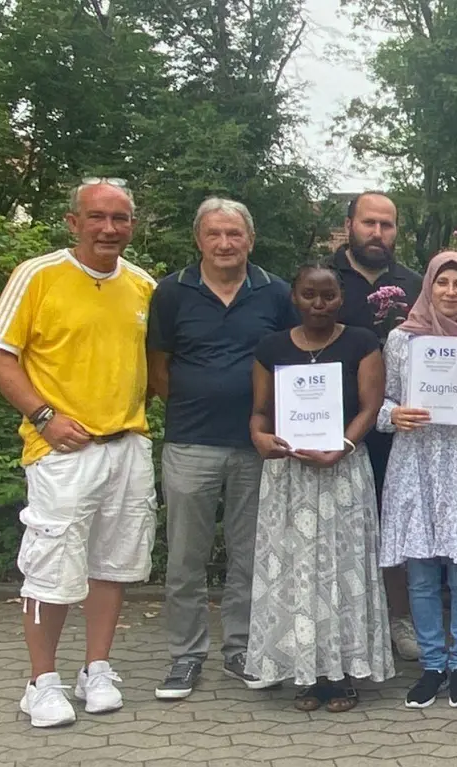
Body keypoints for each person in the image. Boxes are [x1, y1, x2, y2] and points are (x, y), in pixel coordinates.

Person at [0, 179, 157, 728]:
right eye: (98, 217)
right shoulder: (38, 275)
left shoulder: (144, 286)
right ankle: (42, 682)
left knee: (112, 565)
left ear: (132, 224)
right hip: (61, 448)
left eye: (121, 219)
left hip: (127, 444)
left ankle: (96, 669)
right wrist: (43, 416)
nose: (110, 229)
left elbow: (154, 368)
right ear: (73, 220)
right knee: (52, 567)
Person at [147, 198, 295, 700]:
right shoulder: (171, 292)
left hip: (257, 446)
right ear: (199, 239)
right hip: (190, 442)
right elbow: (157, 367)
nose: (225, 244)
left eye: (234, 234)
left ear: (250, 239)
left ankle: (242, 649)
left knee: (250, 555)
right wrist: (199, 397)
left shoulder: (275, 292)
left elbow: (290, 360)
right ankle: (185, 656)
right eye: (215, 234)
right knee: (185, 557)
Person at [246, 266, 393, 711]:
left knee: (343, 569)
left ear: (340, 298)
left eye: (327, 295)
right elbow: (259, 412)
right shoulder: (271, 348)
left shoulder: (362, 342)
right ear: (294, 296)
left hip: (342, 471)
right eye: (309, 294)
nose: (318, 303)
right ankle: (306, 675)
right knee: (297, 572)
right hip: (289, 474)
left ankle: (344, 672)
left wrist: (344, 446)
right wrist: (258, 438)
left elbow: (371, 407)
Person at [379, 251, 457, 709]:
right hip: (415, 463)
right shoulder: (400, 340)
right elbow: (378, 403)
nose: (451, 293)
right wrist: (396, 414)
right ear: (427, 286)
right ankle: (433, 664)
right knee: (422, 574)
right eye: (442, 283)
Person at [325, 191, 425, 663]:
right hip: (334, 425)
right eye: (369, 223)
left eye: (387, 225)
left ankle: (399, 618)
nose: (378, 233)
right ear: (349, 224)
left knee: (396, 526)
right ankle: (345, 619)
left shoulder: (414, 283)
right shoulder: (324, 279)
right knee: (342, 527)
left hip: (402, 426)